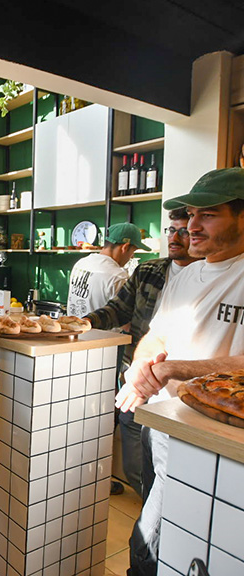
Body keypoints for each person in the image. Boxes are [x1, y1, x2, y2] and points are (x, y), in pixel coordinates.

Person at [115, 168, 244, 576]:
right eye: (190, 215)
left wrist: (172, 369)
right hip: (161, 424)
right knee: (155, 536)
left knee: (153, 543)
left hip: (214, 439)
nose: (191, 226)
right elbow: (156, 335)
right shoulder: (185, 275)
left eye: (209, 214)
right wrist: (142, 365)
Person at [85, 208, 200, 499]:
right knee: (133, 439)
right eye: (171, 230)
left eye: (183, 231)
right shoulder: (149, 271)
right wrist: (85, 322)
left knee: (176, 453)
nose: (174, 238)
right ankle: (150, 501)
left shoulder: (207, 277)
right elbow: (118, 309)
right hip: (139, 372)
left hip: (182, 382)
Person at [67, 222, 151, 317]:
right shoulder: (118, 277)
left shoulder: (81, 263)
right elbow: (124, 320)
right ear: (125, 247)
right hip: (102, 327)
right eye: (133, 251)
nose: (132, 256)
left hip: (74, 326)